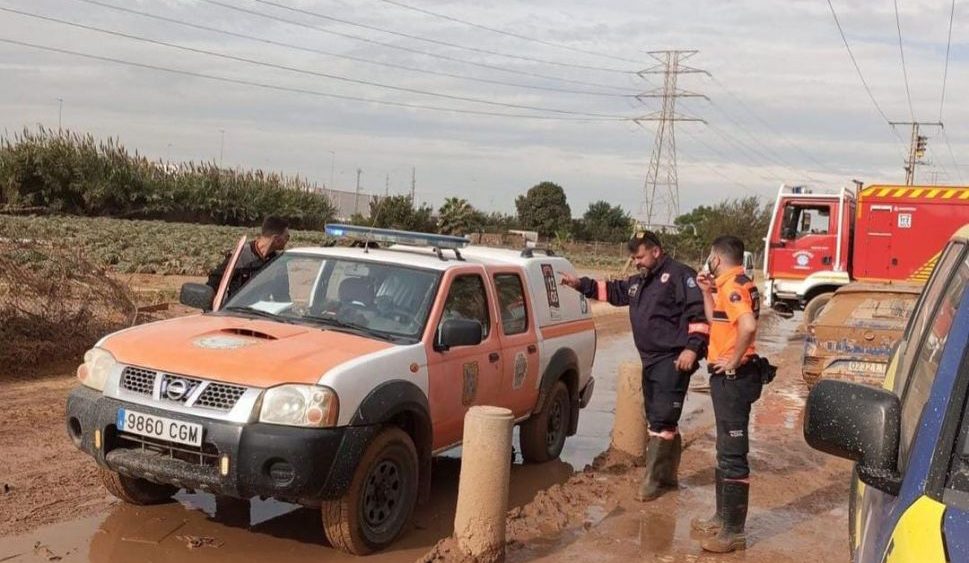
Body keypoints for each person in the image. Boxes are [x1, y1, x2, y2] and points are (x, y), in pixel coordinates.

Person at [561, 231, 709, 501]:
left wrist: (692, 348)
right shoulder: (641, 280)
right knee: (658, 416)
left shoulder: (680, 275)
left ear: (656, 251)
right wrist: (579, 283)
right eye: (634, 258)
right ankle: (668, 476)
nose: (636, 262)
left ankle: (653, 481)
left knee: (662, 418)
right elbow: (614, 291)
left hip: (673, 358)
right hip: (650, 359)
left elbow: (698, 315)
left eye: (639, 257)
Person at [692, 235, 762, 553]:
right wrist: (707, 292)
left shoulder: (733, 286)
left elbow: (747, 325)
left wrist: (733, 360)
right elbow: (716, 320)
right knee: (724, 450)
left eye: (709, 256)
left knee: (733, 455)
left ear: (716, 259)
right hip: (727, 377)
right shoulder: (730, 284)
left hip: (734, 377)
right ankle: (722, 518)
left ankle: (733, 532)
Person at [206, 216, 290, 301]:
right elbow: (214, 283)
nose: (287, 240)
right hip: (236, 311)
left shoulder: (278, 262)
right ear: (276, 239)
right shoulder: (240, 256)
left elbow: (282, 296)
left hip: (263, 312)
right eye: (287, 237)